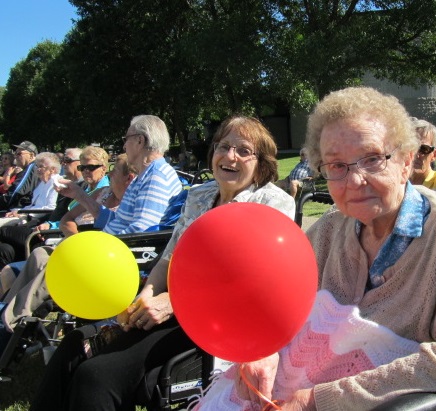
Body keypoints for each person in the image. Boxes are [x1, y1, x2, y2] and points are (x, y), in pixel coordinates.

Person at [195, 87, 436, 411]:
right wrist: (262, 350)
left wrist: (319, 400)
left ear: (406, 161)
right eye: (336, 166)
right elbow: (273, 303)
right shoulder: (331, 227)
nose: (354, 181)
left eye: (372, 159)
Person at [29, 115, 295, 410]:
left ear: (261, 162)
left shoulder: (272, 203)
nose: (230, 156)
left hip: (217, 321)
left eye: (244, 150)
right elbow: (169, 256)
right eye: (223, 146)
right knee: (73, 346)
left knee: (96, 376)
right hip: (171, 307)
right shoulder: (200, 195)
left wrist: (173, 302)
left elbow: (250, 283)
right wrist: (146, 296)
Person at [0, 154, 137, 355]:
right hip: (76, 244)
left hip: (99, 257)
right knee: (39, 254)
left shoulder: (130, 202)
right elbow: (66, 219)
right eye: (83, 167)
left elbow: (120, 233)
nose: (109, 174)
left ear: (129, 177)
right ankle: (7, 313)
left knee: (50, 265)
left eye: (113, 171)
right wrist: (76, 241)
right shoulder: (103, 192)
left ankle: (12, 321)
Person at [57, 115, 182, 234]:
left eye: (126, 139)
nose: (124, 146)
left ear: (140, 140)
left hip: (121, 246)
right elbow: (119, 221)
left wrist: (100, 243)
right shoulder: (146, 175)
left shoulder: (155, 177)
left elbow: (142, 230)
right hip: (116, 243)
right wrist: (78, 194)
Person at [0, 147, 107, 271]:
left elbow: (87, 221)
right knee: (5, 250)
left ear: (104, 168)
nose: (86, 171)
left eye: (91, 167)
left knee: (3, 232)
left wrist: (51, 226)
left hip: (66, 238)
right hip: (56, 231)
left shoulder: (104, 191)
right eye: (82, 167)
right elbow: (67, 217)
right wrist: (50, 224)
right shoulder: (84, 189)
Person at [0, 152, 61, 228]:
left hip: (39, 220)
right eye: (37, 166)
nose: (38, 169)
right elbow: (32, 205)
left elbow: (50, 208)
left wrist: (23, 213)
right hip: (28, 215)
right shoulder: (41, 184)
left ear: (53, 169)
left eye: (41, 167)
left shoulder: (57, 183)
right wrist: (17, 211)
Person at [0, 140, 40, 211]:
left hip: (20, 210)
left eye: (19, 154)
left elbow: (15, 192)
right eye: (15, 154)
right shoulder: (31, 168)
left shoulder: (31, 168)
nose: (15, 156)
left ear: (31, 155)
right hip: (20, 209)